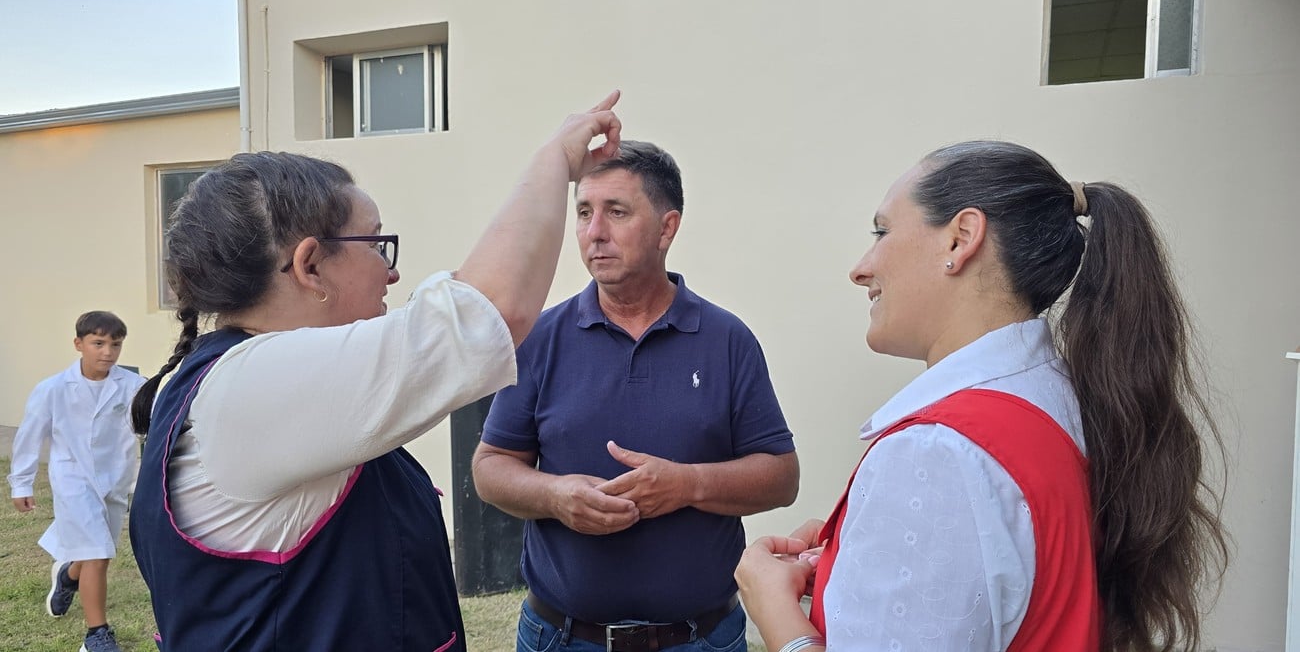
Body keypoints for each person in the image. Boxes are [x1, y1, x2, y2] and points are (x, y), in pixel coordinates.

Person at [125, 92, 623, 651]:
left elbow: (465, 307)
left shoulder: (250, 381)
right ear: (309, 265)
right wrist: (554, 158)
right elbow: (491, 313)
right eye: (376, 243)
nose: (392, 272)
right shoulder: (256, 390)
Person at [735, 140, 1229, 652]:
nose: (861, 267)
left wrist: (773, 609)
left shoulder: (935, 452)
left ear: (961, 239)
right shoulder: (1056, 399)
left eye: (882, 232)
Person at [472, 140, 800, 652]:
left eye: (616, 212)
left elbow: (782, 477)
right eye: (583, 212)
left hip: (701, 639)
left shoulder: (726, 340)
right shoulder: (541, 338)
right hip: (560, 637)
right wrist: (554, 498)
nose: (594, 232)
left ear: (667, 229)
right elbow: (490, 467)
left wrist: (687, 485)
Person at [8, 310, 146, 652]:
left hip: (115, 481)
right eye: (98, 343)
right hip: (72, 480)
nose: (107, 352)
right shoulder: (53, 389)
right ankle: (96, 635)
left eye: (115, 345)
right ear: (78, 344)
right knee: (98, 554)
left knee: (98, 550)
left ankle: (68, 575)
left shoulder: (133, 387)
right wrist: (21, 483)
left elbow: (152, 425)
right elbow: (29, 436)